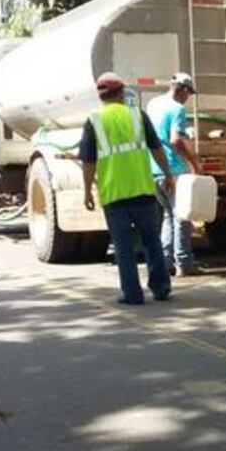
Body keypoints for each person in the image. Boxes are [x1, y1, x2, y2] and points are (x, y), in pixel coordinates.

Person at [81, 72, 175, 305]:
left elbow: (88, 161)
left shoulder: (94, 120)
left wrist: (87, 191)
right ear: (122, 93)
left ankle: (132, 294)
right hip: (142, 189)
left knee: (123, 247)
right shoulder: (137, 115)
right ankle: (161, 287)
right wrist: (168, 174)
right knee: (151, 240)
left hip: (114, 194)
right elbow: (156, 148)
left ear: (100, 96)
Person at [146, 73, 202, 277]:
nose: (188, 97)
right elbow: (176, 140)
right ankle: (184, 262)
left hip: (154, 169)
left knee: (169, 215)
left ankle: (165, 262)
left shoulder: (153, 104)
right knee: (182, 216)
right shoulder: (177, 108)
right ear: (184, 89)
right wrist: (194, 163)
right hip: (174, 169)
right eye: (189, 93)